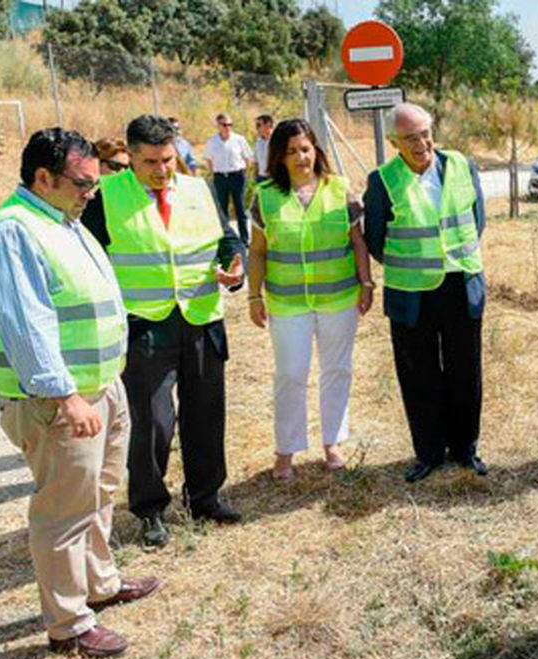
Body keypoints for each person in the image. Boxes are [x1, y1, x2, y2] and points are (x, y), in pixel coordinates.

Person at [0, 128, 160, 657]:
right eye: (81, 183)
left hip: (101, 387)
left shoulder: (63, 219)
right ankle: (69, 624)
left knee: (98, 496)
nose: (90, 193)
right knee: (62, 512)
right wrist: (65, 398)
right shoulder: (13, 231)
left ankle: (99, 584)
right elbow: (25, 326)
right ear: (42, 178)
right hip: (60, 403)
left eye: (94, 184)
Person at [81, 115, 246, 549]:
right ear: (130, 157)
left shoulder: (196, 189)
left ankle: (206, 497)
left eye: (168, 159)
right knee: (152, 422)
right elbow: (88, 263)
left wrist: (235, 266)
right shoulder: (105, 199)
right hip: (144, 327)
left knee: (206, 413)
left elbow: (225, 240)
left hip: (201, 319)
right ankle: (151, 509)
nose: (161, 169)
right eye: (150, 161)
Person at [363, 103, 488, 483]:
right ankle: (429, 452)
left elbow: (477, 220)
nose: (421, 143)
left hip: (461, 284)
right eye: (410, 138)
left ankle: (465, 449)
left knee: (465, 370)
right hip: (412, 292)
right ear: (393, 143)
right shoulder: (382, 180)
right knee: (419, 376)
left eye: (425, 132)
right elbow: (376, 239)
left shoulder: (462, 166)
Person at [247, 119, 374, 480]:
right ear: (280, 158)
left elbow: (358, 242)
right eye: (291, 151)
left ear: (316, 150)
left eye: (305, 148)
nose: (300, 157)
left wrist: (367, 284)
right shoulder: (266, 196)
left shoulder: (340, 189)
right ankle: (285, 450)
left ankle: (333, 442)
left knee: (337, 370)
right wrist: (254, 295)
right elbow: (257, 251)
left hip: (338, 299)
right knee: (290, 374)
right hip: (288, 305)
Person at [204, 113, 253, 244]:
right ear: (218, 126)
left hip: (237, 176)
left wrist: (245, 174)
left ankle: (244, 239)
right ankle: (225, 239)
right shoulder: (212, 141)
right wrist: (213, 173)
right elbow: (208, 159)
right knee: (222, 209)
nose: (228, 127)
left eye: (230, 125)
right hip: (221, 177)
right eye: (225, 125)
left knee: (240, 208)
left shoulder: (239, 140)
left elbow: (248, 157)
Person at [253, 114, 274, 183]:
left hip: (274, 178)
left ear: (268, 125)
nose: (257, 128)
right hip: (261, 177)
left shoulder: (277, 140)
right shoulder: (258, 142)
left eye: (259, 125)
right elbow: (256, 161)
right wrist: (256, 175)